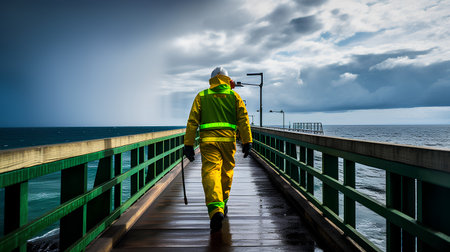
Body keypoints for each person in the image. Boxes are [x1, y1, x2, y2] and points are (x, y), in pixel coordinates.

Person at [184, 66, 252, 230]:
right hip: (228, 142)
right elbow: (243, 119)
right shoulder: (234, 96)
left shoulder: (202, 96)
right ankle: (223, 203)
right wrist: (247, 141)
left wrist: (188, 144)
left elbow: (193, 121)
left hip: (208, 142)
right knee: (226, 173)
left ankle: (216, 208)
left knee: (211, 172)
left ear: (212, 80)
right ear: (228, 80)